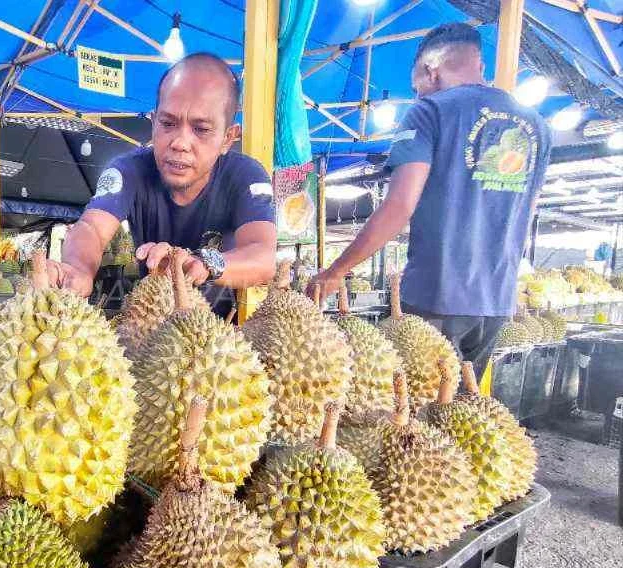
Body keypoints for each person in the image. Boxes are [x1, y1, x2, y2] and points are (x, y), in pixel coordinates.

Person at [307, 23, 551, 378]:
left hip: (435, 294)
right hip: (497, 299)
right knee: (464, 411)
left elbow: (399, 205)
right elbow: (525, 211)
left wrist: (336, 271)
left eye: (415, 86)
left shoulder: (430, 111)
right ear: (479, 66)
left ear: (430, 71)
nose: (417, 94)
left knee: (414, 422)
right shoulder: (536, 126)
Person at [41, 52, 277, 302]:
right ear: (153, 123)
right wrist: (79, 268)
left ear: (228, 138)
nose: (180, 142)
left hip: (223, 330)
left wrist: (204, 262)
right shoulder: (129, 170)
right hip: (148, 324)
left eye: (202, 129)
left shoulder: (245, 176)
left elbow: (263, 256)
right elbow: (91, 228)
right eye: (168, 123)